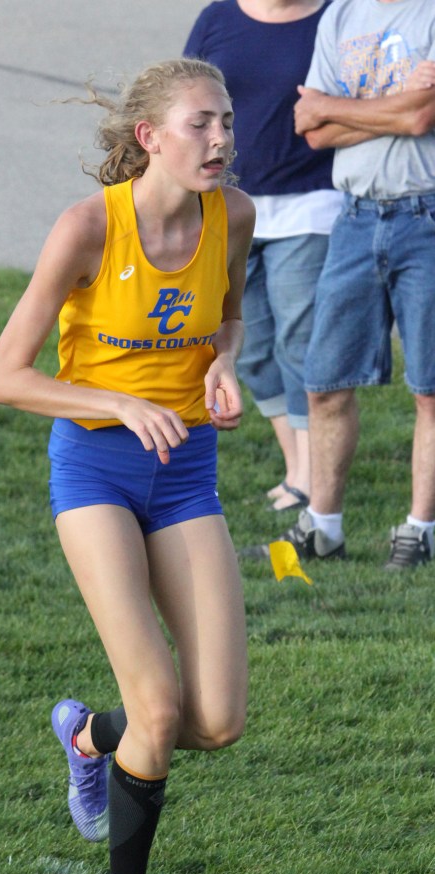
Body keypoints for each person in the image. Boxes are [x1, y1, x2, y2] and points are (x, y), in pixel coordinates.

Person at [0, 58, 255, 874]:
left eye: (225, 121)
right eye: (200, 124)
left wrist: (222, 364)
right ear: (150, 137)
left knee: (216, 720)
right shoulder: (88, 228)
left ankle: (89, 738)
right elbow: (2, 377)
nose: (220, 139)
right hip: (95, 472)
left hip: (185, 471)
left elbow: (228, 315)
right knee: (160, 703)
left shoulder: (233, 214)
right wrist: (119, 402)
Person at [240, 0, 435, 568]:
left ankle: (420, 530)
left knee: (429, 390)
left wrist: (337, 106)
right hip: (354, 218)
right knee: (324, 383)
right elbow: (312, 129)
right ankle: (321, 529)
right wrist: (393, 107)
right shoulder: (341, 15)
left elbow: (421, 120)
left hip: (427, 214)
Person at [184, 0, 343, 512]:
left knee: (299, 343)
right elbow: (183, 99)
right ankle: (298, 464)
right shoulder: (218, 19)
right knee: (247, 348)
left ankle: (307, 477)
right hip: (228, 209)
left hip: (309, 206)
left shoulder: (334, 16)